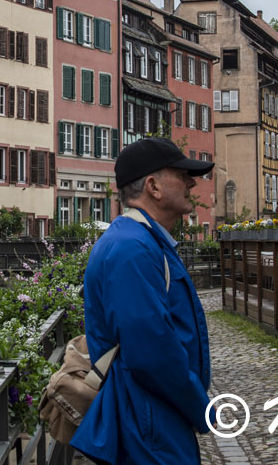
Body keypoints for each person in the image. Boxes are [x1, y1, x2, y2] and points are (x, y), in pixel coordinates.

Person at [71, 137, 215, 464]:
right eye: (181, 174)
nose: (192, 182)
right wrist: (200, 407)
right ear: (153, 186)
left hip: (151, 413)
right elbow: (152, 353)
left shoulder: (140, 241)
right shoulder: (132, 250)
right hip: (147, 421)